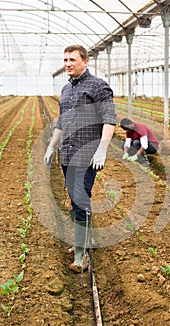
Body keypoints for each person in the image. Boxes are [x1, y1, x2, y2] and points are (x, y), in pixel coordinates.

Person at [44, 45, 116, 272]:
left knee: (80, 200)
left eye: (72, 59)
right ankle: (83, 239)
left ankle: (80, 255)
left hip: (87, 154)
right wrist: (51, 146)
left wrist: (102, 149)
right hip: (67, 153)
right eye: (65, 60)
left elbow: (109, 119)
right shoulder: (66, 90)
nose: (67, 64)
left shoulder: (98, 86)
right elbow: (62, 123)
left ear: (85, 61)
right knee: (75, 200)